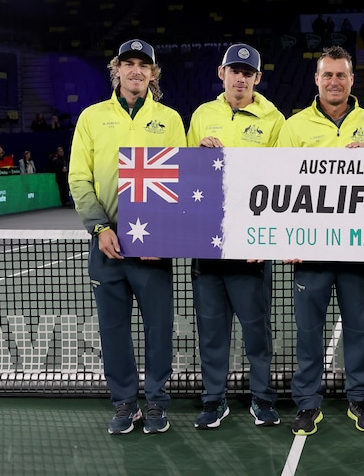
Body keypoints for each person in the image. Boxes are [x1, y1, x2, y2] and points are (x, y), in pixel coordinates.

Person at [68, 38, 187, 435]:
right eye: (128, 63)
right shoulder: (91, 117)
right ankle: (124, 404)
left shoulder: (170, 119)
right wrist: (99, 228)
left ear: (153, 74)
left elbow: (181, 179)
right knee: (113, 329)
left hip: (154, 245)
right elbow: (79, 178)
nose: (136, 70)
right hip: (107, 243)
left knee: (158, 327)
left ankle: (155, 403)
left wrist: (166, 237)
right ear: (116, 69)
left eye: (144, 65)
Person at [275, 45, 364, 436]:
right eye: (327, 75)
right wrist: (286, 240)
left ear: (352, 79)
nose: (334, 81)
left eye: (341, 75)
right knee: (308, 331)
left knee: (358, 329)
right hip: (310, 250)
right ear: (316, 79)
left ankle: (361, 398)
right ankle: (307, 403)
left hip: (358, 247)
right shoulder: (294, 126)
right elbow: (280, 186)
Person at [185, 43, 285, 429]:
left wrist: (267, 240)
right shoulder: (201, 115)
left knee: (257, 329)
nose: (241, 77)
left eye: (248, 72)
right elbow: (187, 172)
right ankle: (214, 400)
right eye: (234, 70)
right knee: (211, 330)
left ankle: (262, 398)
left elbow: (279, 183)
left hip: (251, 243)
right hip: (206, 240)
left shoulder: (274, 119)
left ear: (257, 78)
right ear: (221, 73)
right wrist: (197, 148)